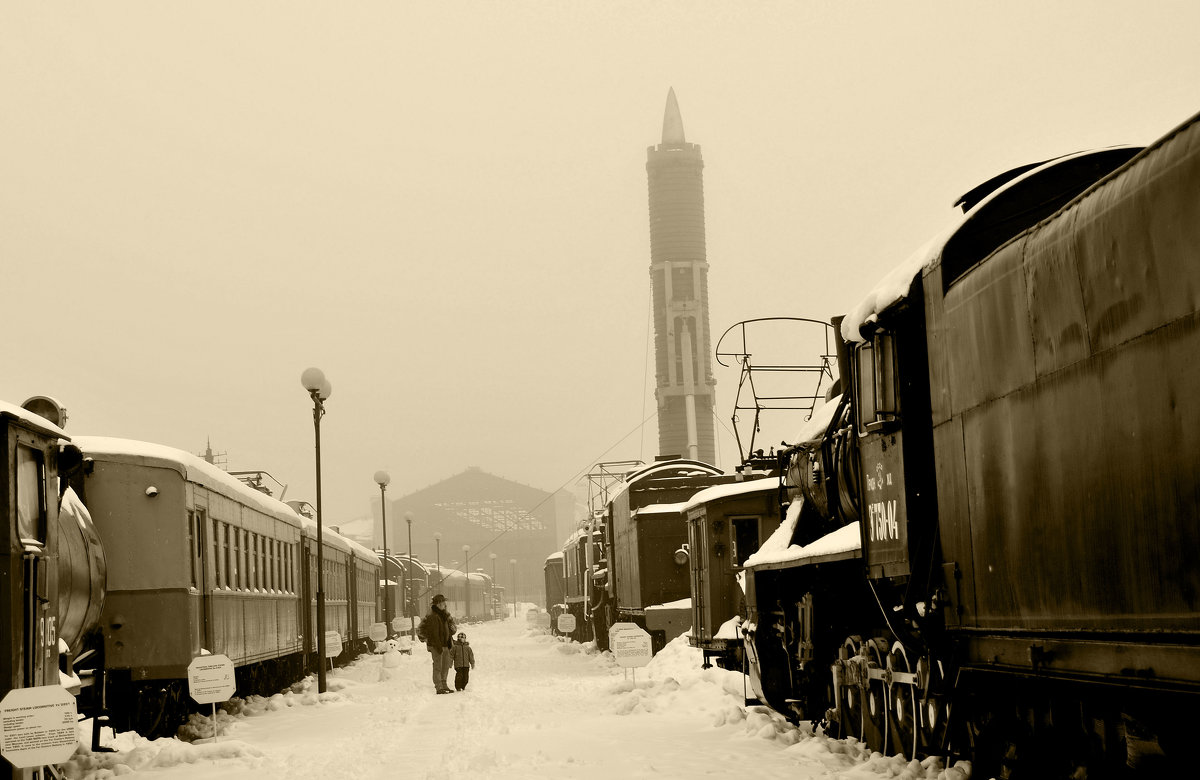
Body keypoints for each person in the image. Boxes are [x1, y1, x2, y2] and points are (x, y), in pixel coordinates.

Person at [417, 594, 456, 694]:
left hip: (446, 644)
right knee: (438, 666)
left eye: (444, 602)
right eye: (443, 602)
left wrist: (452, 628)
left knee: (445, 666)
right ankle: (438, 686)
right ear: (438, 604)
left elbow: (453, 627)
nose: (444, 604)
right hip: (436, 645)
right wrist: (427, 640)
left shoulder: (446, 614)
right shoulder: (430, 615)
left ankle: (444, 684)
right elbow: (420, 629)